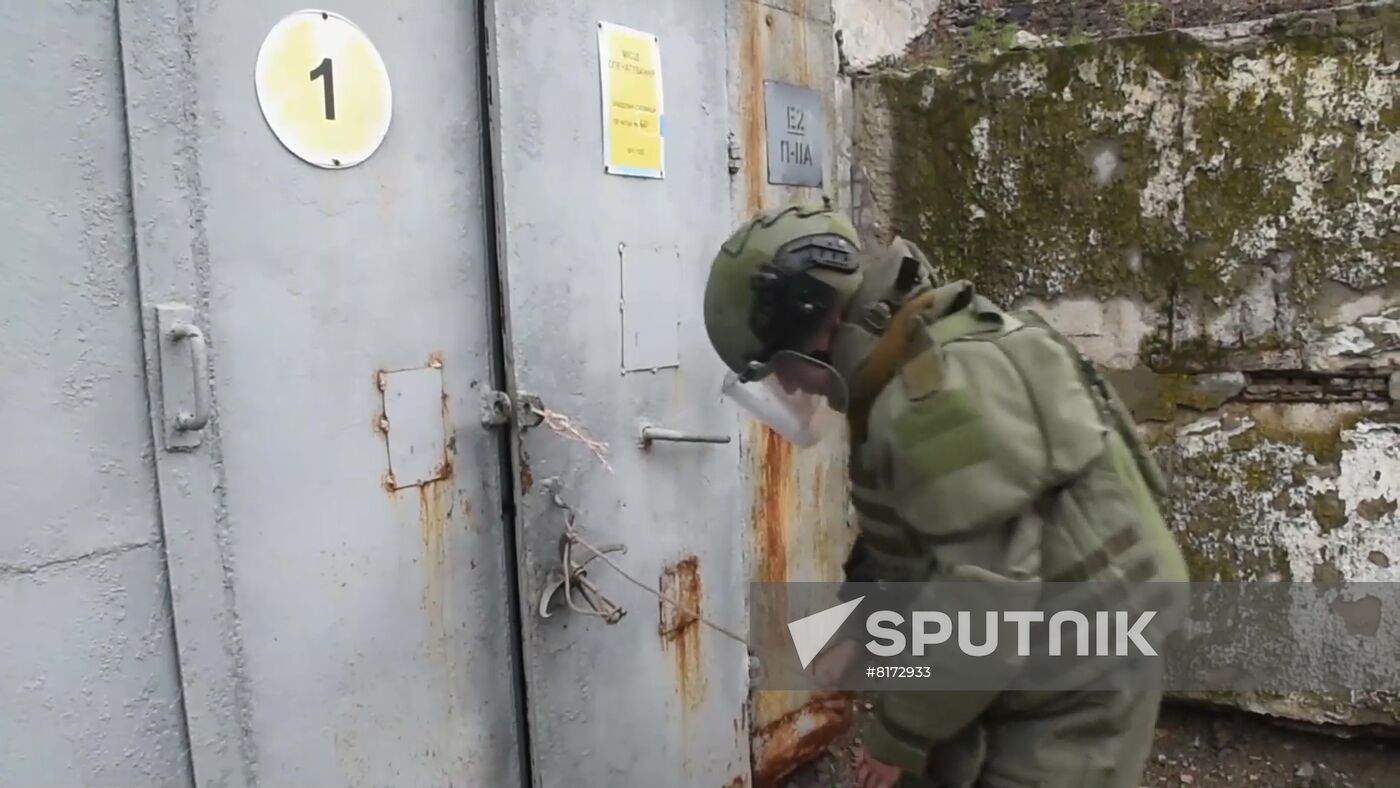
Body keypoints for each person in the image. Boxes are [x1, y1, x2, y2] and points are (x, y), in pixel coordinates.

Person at [702, 202, 1189, 788]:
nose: (785, 385)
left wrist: (898, 737)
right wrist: (859, 630)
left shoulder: (933, 400)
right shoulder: (908, 354)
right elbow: (913, 533)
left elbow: (986, 599)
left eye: (779, 368)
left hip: (1078, 680)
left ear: (819, 332)